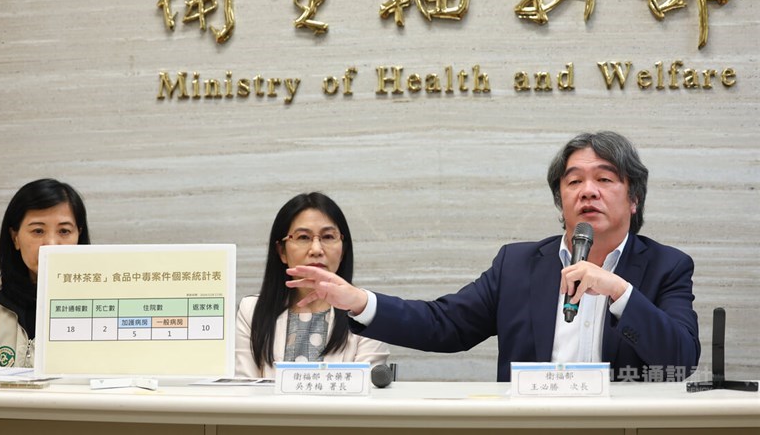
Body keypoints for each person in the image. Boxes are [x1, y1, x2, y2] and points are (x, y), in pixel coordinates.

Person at [286, 132, 700, 382]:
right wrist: (359, 301)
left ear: (634, 199)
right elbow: (444, 325)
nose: (587, 191)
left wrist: (618, 291)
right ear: (561, 202)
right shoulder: (518, 265)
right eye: (574, 181)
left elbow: (681, 361)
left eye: (604, 179)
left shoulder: (667, 267)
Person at [235, 192, 389, 378]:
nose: (316, 250)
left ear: (343, 250)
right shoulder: (251, 311)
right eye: (303, 237)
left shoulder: (363, 310)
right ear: (282, 251)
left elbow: (366, 392)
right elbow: (244, 392)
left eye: (328, 237)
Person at [0, 179, 90, 367]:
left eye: (64, 231)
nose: (51, 244)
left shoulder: (101, 302)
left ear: (78, 235)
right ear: (15, 238)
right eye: (38, 231)